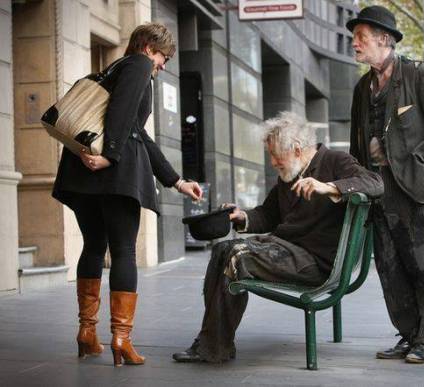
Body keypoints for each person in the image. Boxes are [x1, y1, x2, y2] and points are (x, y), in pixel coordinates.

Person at [172, 111, 383, 363]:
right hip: (285, 252)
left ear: (296, 148)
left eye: (274, 154)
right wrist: (241, 216)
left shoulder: (335, 161)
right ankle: (213, 342)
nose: (272, 161)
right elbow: (268, 214)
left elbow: (375, 183)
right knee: (222, 251)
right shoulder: (290, 175)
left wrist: (329, 187)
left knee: (237, 256)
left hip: (316, 262)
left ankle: (212, 345)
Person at [52, 23, 203, 367]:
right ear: (149, 47)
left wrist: (176, 181)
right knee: (123, 252)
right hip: (114, 175)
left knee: (93, 247)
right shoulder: (137, 65)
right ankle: (121, 338)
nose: (163, 65)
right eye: (163, 57)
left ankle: (87, 333)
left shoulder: (113, 69)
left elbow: (140, 134)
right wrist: (112, 156)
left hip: (83, 175)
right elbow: (122, 118)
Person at [346, 6, 424, 363]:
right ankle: (409, 335)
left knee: (422, 266)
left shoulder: (419, 76)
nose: (354, 43)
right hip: (380, 192)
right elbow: (355, 146)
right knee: (389, 267)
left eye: (360, 37)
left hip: (416, 190)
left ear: (384, 40)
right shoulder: (362, 89)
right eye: (355, 38)